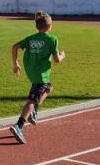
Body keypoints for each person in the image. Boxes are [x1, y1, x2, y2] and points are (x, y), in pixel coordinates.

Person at [9, 10, 65, 144]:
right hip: (41, 75)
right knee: (31, 101)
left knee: (49, 88)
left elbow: (15, 47)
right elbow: (57, 60)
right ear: (50, 26)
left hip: (32, 72)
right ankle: (19, 125)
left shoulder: (30, 38)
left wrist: (15, 63)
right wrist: (63, 55)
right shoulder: (52, 39)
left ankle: (34, 111)